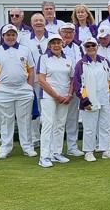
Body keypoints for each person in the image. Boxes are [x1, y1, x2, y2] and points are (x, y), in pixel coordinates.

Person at [0, 24, 37, 159]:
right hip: (4, 89)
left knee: (25, 119)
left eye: (13, 34)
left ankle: (27, 147)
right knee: (6, 120)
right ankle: (5, 147)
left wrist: (29, 88)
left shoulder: (25, 50)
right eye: (8, 35)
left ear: (17, 36)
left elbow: (31, 70)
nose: (10, 37)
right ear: (3, 36)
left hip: (23, 89)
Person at [74, 37, 110, 162]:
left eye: (93, 45)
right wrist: (85, 101)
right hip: (90, 100)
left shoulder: (104, 61)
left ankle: (106, 150)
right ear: (84, 48)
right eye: (88, 46)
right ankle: (88, 152)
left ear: (97, 46)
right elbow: (78, 84)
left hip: (104, 98)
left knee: (105, 126)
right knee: (89, 127)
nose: (91, 48)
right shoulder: (81, 64)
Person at [36, 34, 74, 167]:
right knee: (48, 123)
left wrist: (69, 95)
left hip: (64, 97)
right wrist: (56, 96)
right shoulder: (44, 58)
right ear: (49, 45)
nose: (56, 45)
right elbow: (41, 80)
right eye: (53, 43)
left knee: (60, 124)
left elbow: (72, 79)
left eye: (58, 42)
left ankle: (56, 153)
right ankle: (44, 156)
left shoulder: (68, 59)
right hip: (48, 97)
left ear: (62, 44)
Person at [20, 13, 50, 149]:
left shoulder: (53, 37)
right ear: (31, 24)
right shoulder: (25, 39)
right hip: (31, 80)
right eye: (35, 21)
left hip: (50, 80)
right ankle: (34, 138)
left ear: (45, 22)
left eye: (41, 20)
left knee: (48, 110)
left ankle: (48, 138)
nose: (38, 22)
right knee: (33, 110)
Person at [58, 23, 85, 157]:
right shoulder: (55, 46)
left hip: (75, 87)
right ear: (60, 32)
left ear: (74, 34)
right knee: (57, 119)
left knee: (72, 119)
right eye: (65, 32)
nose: (67, 35)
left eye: (70, 32)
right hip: (58, 88)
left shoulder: (79, 47)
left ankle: (72, 147)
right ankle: (56, 148)